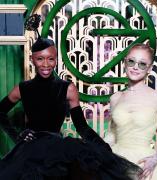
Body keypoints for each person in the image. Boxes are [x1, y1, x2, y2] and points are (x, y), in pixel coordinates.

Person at [0, 35, 142, 180]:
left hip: (57, 151)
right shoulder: (22, 88)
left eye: (51, 59)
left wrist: (102, 147)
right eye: (40, 59)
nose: (46, 64)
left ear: (56, 59)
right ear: (32, 60)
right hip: (29, 151)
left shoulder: (67, 88)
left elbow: (81, 126)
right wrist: (17, 135)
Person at [104, 43, 157, 180]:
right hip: (116, 161)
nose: (135, 67)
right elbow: (111, 134)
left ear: (149, 68)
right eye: (131, 61)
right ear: (125, 62)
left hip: (145, 164)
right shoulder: (115, 98)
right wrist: (104, 154)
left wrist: (154, 160)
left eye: (142, 64)